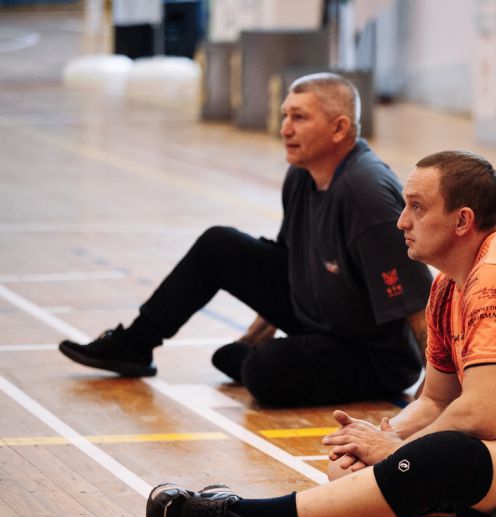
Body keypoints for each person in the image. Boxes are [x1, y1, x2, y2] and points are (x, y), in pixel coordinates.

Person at [145, 150, 496, 517]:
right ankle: (425, 488)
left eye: (417, 207)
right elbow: (436, 400)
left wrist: (394, 448)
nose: (401, 221)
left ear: (462, 220)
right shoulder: (447, 287)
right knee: (357, 470)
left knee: (443, 457)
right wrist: (382, 436)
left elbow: (479, 416)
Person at [58, 73, 433, 407]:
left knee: (264, 370)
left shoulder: (365, 192)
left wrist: (432, 397)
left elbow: (419, 306)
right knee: (219, 245)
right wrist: (255, 335)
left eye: (299, 118)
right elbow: (290, 267)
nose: (285, 128)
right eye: (285, 115)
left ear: (339, 129)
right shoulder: (302, 174)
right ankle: (135, 345)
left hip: (374, 354)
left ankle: (265, 360)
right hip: (321, 320)